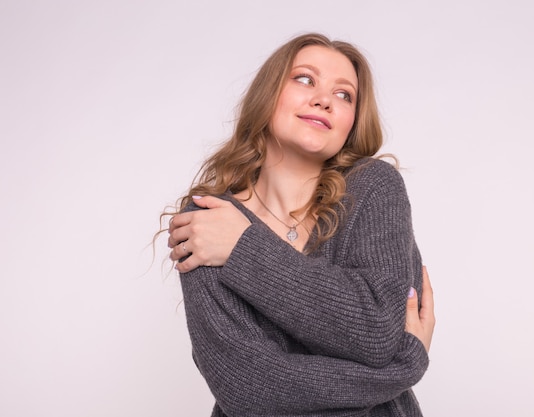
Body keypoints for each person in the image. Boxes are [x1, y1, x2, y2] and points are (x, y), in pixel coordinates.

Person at [165, 33, 435, 416]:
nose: (324, 99)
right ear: (268, 93)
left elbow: (378, 332)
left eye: (345, 95)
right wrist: (403, 367)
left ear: (352, 123)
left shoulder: (374, 188)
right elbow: (249, 388)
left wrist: (245, 249)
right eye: (305, 79)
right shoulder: (205, 219)